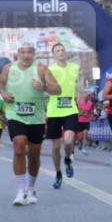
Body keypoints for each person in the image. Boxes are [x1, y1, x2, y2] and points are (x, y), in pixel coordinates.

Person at [0, 42, 61, 206]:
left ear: (34, 53)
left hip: (36, 118)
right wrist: (3, 93)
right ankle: (20, 191)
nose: (26, 55)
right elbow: (0, 83)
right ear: (18, 53)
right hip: (15, 114)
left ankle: (31, 188)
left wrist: (44, 87)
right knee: (19, 147)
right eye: (23, 52)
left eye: (29, 52)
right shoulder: (9, 68)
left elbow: (57, 89)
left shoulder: (41, 69)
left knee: (33, 155)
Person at [46, 43, 84, 189]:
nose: (61, 52)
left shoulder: (74, 68)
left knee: (68, 141)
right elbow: (46, 90)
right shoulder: (50, 70)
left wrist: (81, 99)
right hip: (54, 111)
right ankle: (58, 173)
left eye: (63, 50)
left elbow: (79, 87)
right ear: (54, 55)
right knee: (55, 147)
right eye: (58, 51)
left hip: (70, 110)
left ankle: (68, 159)